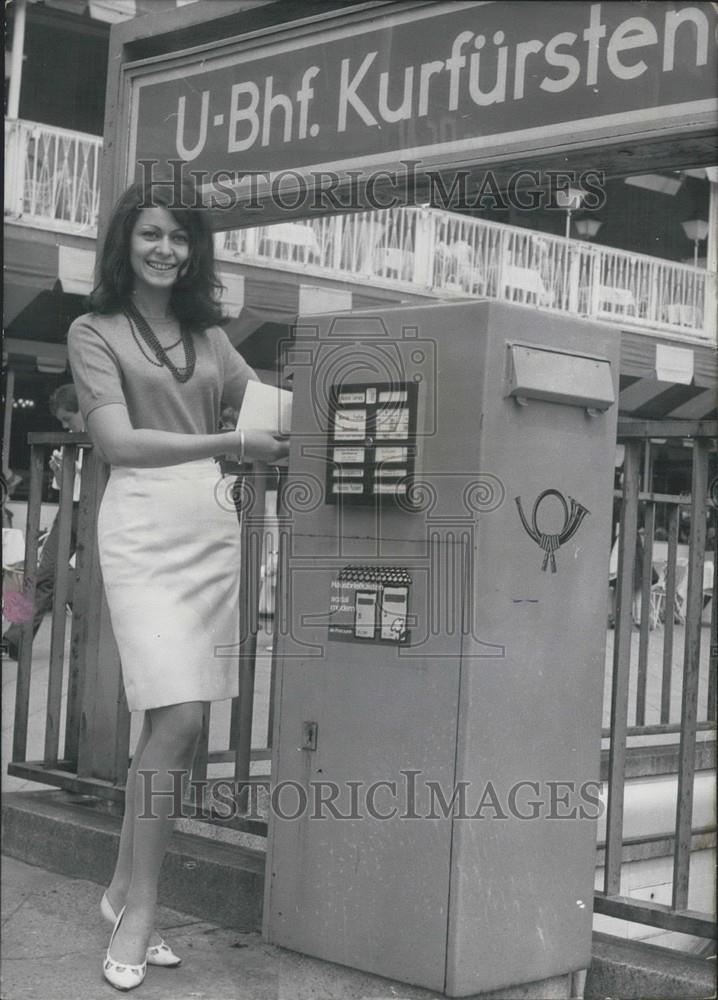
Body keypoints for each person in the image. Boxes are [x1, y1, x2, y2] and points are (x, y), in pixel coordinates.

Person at [67, 180, 288, 992]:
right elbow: (118, 443)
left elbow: (266, 406)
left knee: (173, 725)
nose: (165, 248)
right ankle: (140, 907)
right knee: (182, 715)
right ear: (125, 240)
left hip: (209, 525)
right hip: (143, 529)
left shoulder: (207, 334)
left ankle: (124, 887)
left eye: (180, 236)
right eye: (151, 233)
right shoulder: (92, 331)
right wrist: (233, 437)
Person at [2, 385, 84, 660]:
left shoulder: (104, 436)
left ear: (82, 410)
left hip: (95, 511)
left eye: (67, 419)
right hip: (68, 510)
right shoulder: (70, 439)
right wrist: (59, 472)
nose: (64, 425)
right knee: (44, 575)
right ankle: (14, 640)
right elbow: (62, 487)